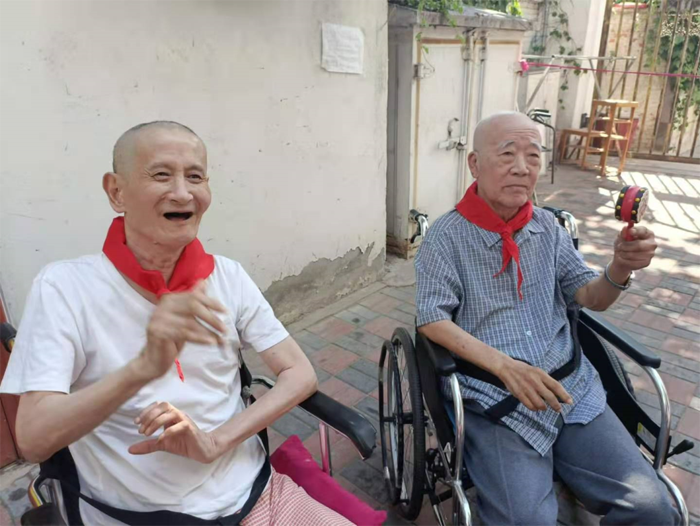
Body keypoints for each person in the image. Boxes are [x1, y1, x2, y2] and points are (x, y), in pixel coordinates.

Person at [1, 121, 353, 525]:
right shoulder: (65, 287)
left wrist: (216, 442)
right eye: (161, 175)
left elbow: (300, 373)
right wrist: (143, 368)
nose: (184, 193)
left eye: (196, 177)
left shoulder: (228, 276)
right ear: (116, 192)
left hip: (257, 496)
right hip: (138, 517)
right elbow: (34, 440)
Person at [415, 112, 679, 525]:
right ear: (474, 164)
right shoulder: (445, 237)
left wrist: (621, 267)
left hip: (572, 390)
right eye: (507, 154)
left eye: (533, 156)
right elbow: (432, 319)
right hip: (495, 399)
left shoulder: (549, 228)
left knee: (652, 506)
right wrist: (506, 367)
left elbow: (590, 296)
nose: (522, 167)